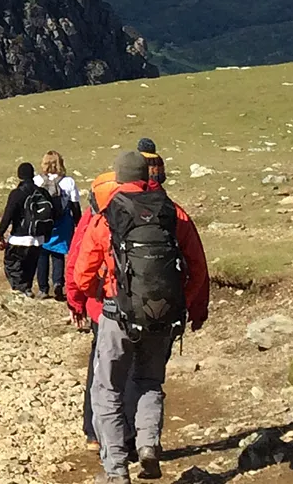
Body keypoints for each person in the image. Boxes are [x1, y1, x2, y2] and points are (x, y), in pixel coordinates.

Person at [68, 151, 212, 483]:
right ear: (148, 177)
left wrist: (98, 296)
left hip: (116, 314)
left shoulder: (107, 216)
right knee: (149, 382)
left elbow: (82, 273)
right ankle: (148, 446)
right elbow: (198, 267)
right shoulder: (173, 212)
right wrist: (183, 303)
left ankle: (116, 470)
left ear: (118, 177)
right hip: (161, 317)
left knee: (107, 390)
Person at [0, 163, 56, 294]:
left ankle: (21, 291)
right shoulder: (42, 192)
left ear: (19, 176)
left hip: (19, 238)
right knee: (30, 267)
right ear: (32, 174)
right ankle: (27, 289)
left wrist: (0, 233)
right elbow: (53, 213)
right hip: (38, 239)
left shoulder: (17, 193)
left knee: (12, 266)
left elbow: (8, 215)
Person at [35, 151, 79, 300]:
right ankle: (58, 283)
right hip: (62, 223)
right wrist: (78, 223)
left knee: (42, 255)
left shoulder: (37, 181)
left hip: (43, 224)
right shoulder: (68, 182)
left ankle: (43, 288)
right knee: (58, 254)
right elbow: (75, 205)